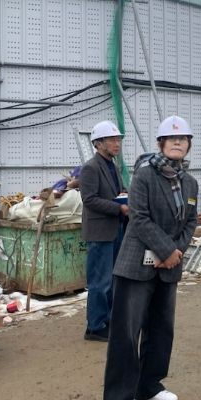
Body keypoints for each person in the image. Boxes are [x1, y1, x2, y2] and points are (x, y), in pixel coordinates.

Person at [101, 116, 198, 400]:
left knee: (161, 329)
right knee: (126, 333)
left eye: (183, 138)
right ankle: (116, 399)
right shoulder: (144, 175)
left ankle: (148, 386)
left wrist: (174, 253)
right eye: (172, 138)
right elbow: (139, 217)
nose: (178, 142)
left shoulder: (190, 183)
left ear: (188, 145)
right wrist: (166, 251)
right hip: (136, 266)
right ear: (161, 143)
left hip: (168, 266)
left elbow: (191, 222)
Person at [80, 121, 128, 342]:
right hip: (100, 232)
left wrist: (125, 196)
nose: (117, 144)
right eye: (112, 140)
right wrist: (119, 208)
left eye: (118, 140)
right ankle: (95, 327)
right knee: (100, 282)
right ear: (98, 144)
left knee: (112, 280)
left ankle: (107, 319)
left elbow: (116, 192)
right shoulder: (90, 168)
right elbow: (89, 200)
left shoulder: (112, 166)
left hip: (115, 229)